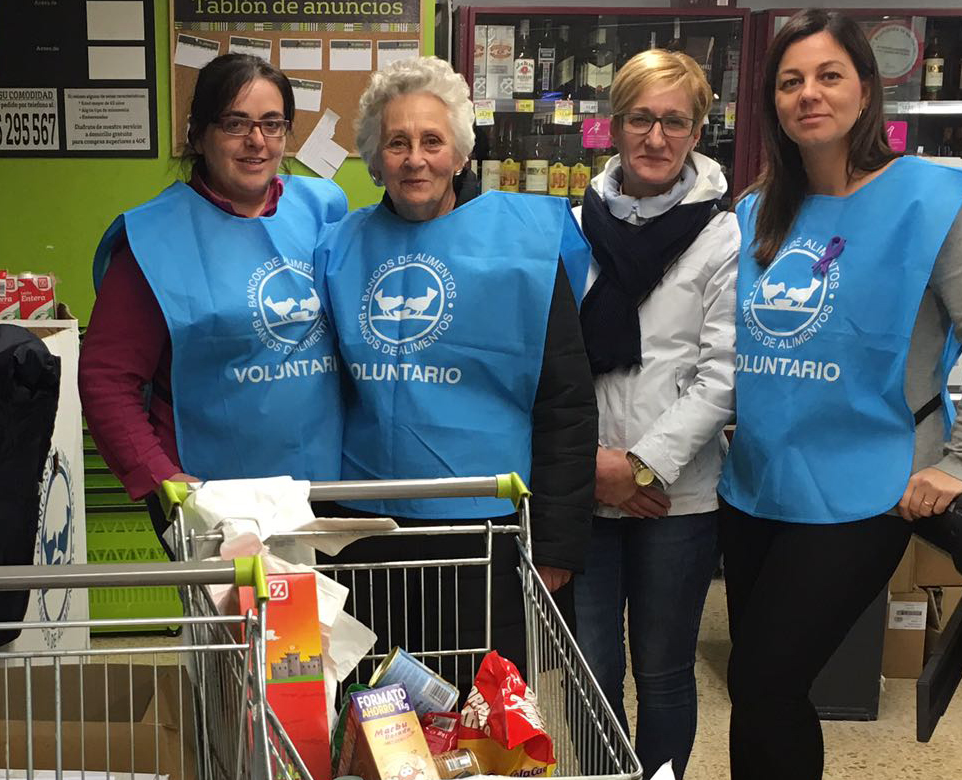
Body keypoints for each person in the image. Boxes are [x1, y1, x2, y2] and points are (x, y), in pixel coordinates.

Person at [698, 9, 962, 780]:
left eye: (829, 76)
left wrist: (961, 465)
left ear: (866, 90)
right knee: (758, 698)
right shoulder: (759, 211)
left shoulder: (934, 201)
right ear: (772, 103)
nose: (810, 95)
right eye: (791, 81)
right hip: (758, 483)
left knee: (765, 682)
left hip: (868, 491)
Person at [317, 55, 595, 674]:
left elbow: (566, 404)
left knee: (479, 717)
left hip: (486, 532)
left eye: (432, 140)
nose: (415, 158)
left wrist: (556, 545)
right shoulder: (337, 248)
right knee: (373, 713)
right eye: (397, 142)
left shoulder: (522, 247)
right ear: (374, 157)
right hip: (364, 533)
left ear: (461, 153)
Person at [81, 54, 348, 536]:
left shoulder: (322, 209)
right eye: (235, 123)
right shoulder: (153, 240)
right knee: (243, 613)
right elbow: (106, 378)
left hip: (326, 488)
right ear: (199, 133)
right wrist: (162, 478)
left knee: (320, 612)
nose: (257, 141)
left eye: (272, 124)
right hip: (212, 499)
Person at [569, 49, 739, 780]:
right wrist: (594, 470)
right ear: (615, 125)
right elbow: (553, 365)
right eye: (642, 118)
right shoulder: (573, 226)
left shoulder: (724, 235)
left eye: (675, 121)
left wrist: (639, 468)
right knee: (593, 669)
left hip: (678, 496)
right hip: (587, 486)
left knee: (665, 673)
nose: (657, 138)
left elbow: (723, 375)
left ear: (698, 128)